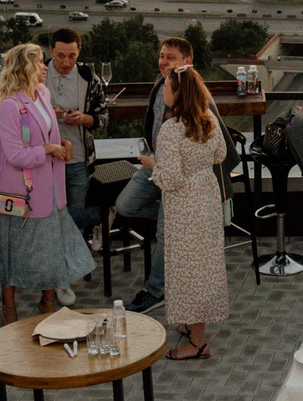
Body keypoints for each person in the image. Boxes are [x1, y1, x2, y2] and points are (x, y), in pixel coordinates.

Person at [0, 41, 95, 324]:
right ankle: (9, 310)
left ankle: (47, 304)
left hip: (50, 191)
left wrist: (60, 143)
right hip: (21, 195)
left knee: (50, 251)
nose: (43, 67)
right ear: (24, 68)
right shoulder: (11, 106)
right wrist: (48, 150)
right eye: (38, 62)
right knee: (13, 251)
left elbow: (46, 133)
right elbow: (14, 154)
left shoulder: (42, 93)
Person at [150, 65, 228, 361]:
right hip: (206, 197)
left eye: (167, 88)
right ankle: (193, 323)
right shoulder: (209, 121)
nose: (164, 92)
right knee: (204, 265)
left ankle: (198, 342)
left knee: (187, 268)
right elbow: (220, 155)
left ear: (177, 93)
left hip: (184, 204)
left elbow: (169, 178)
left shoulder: (170, 130)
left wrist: (152, 166)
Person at [115, 33, 196, 315]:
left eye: (169, 58)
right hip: (154, 164)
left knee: (164, 232)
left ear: (188, 62)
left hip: (175, 175)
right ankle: (182, 223)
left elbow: (211, 146)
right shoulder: (162, 83)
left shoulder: (194, 94)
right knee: (125, 206)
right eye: (161, 56)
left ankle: (155, 291)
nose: (163, 62)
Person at [42, 29, 107, 233]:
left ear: (79, 52)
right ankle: (100, 215)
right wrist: (46, 113)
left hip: (78, 159)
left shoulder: (88, 78)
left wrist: (84, 119)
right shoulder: (37, 75)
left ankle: (72, 260)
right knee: (48, 213)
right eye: (61, 56)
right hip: (45, 159)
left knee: (74, 217)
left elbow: (103, 117)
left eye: (72, 56)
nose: (66, 63)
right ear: (51, 51)